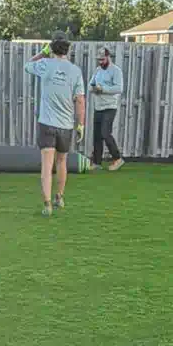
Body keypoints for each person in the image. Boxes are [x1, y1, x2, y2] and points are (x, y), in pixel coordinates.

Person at [24, 34, 85, 216]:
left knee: (46, 165)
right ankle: (59, 196)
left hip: (47, 124)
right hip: (65, 126)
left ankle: (47, 204)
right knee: (61, 162)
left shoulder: (45, 64)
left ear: (51, 49)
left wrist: (42, 53)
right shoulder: (75, 71)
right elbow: (80, 100)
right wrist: (80, 124)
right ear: (68, 50)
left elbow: (27, 65)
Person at [89, 48, 125, 169]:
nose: (100, 62)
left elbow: (119, 89)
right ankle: (97, 162)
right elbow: (90, 85)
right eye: (99, 60)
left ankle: (117, 158)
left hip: (110, 107)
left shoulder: (116, 71)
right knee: (97, 136)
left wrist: (102, 89)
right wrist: (93, 88)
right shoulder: (98, 70)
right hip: (98, 106)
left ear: (108, 57)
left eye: (102, 59)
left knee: (105, 133)